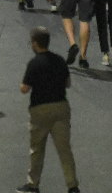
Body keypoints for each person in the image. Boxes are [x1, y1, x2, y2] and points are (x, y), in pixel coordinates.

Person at [19, 26, 80, 193]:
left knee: (37, 149)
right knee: (64, 149)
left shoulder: (34, 63)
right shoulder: (60, 60)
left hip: (40, 110)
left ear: (35, 43)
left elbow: (24, 88)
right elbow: (67, 83)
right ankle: (72, 186)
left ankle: (33, 185)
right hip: (61, 107)